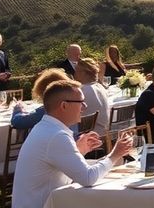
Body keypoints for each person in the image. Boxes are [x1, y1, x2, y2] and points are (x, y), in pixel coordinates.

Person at [11, 80, 133, 208]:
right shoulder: (56, 135)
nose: (84, 107)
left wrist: (78, 150)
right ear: (64, 106)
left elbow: (55, 168)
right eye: (81, 102)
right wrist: (115, 154)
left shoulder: (44, 127)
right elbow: (88, 178)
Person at [74, 58, 110, 136]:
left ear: (83, 73)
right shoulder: (100, 87)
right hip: (104, 133)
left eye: (76, 71)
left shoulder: (82, 91)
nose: (74, 74)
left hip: (90, 136)